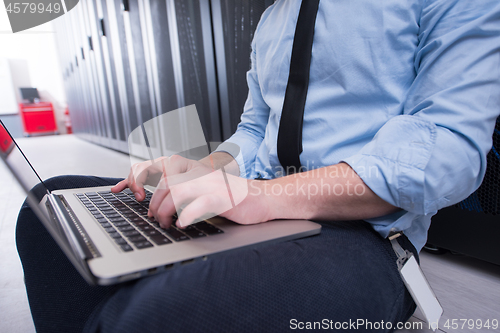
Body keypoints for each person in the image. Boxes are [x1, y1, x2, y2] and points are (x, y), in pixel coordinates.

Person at [16, 0, 500, 332]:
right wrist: (203, 170)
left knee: (161, 315)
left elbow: (448, 150)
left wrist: (263, 197)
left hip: (364, 235)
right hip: (254, 206)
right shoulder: (274, 16)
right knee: (51, 205)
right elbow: (252, 132)